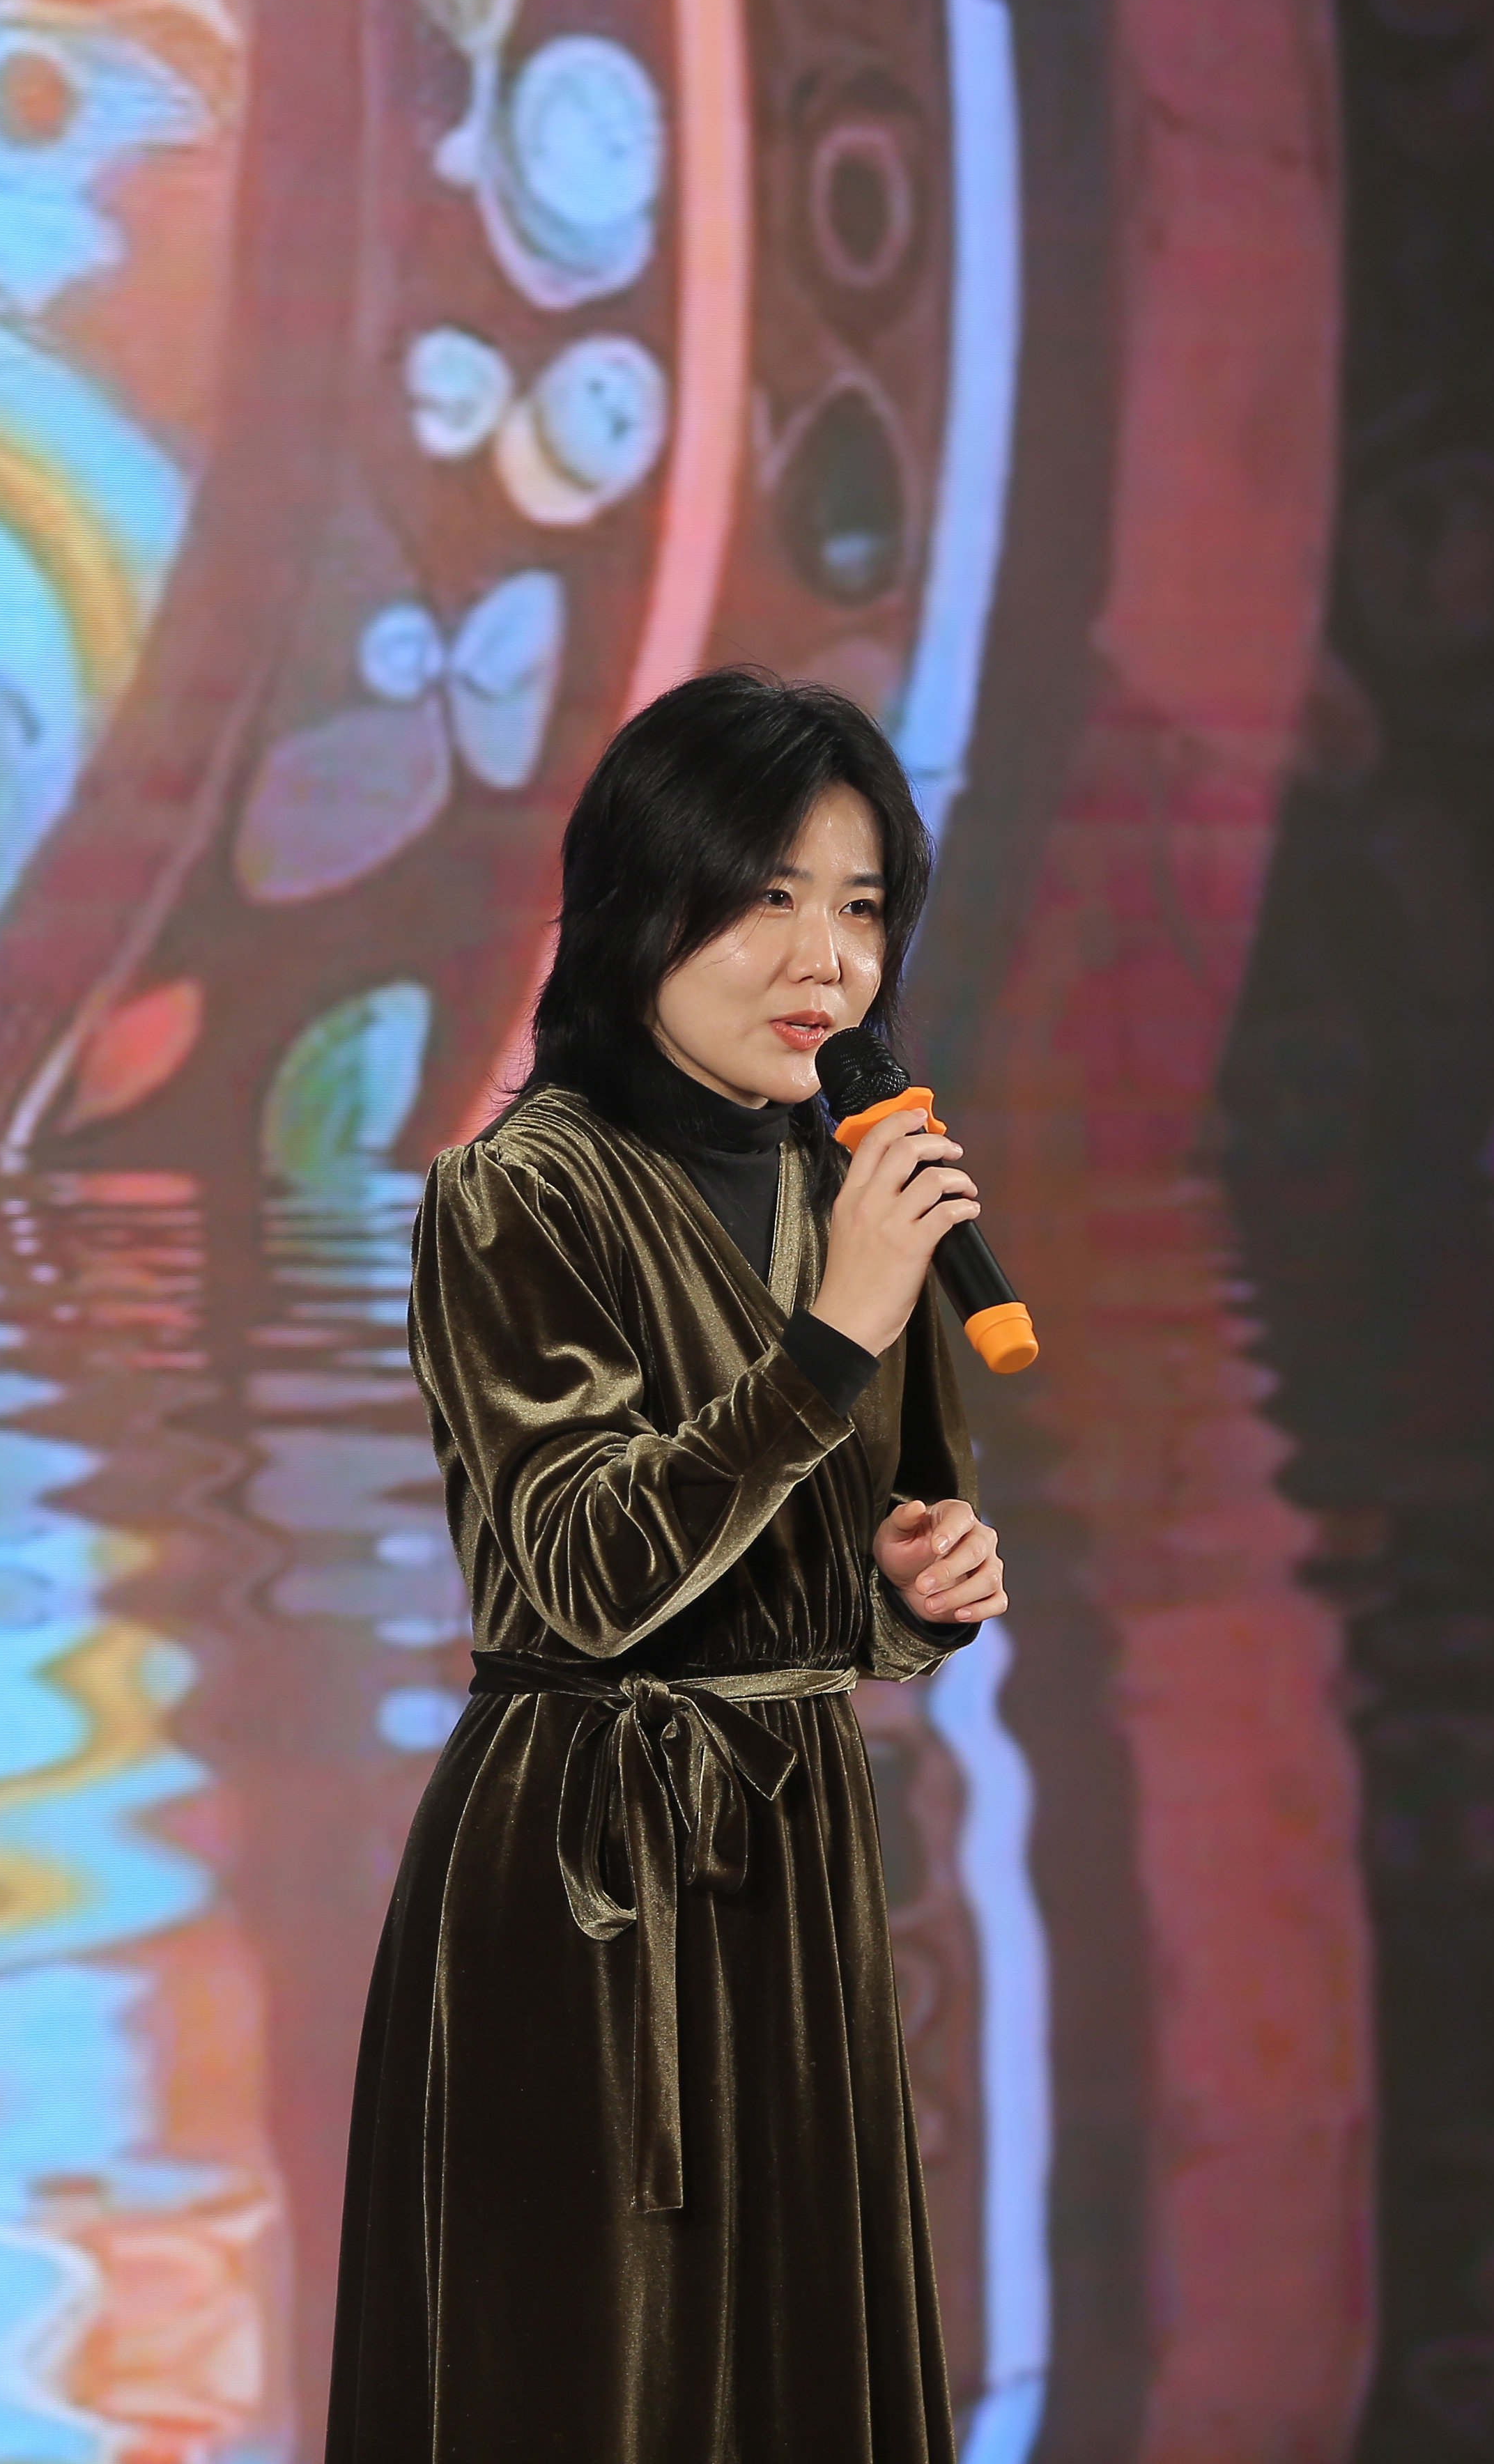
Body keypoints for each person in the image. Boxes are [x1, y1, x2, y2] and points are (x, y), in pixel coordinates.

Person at [327, 669, 1015, 2460]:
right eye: (770, 896)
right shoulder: (518, 1193)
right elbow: (585, 1566)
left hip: (795, 1844)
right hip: (586, 1869)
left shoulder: (853, 1182)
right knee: (586, 2378)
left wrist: (910, 1592)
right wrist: (834, 1335)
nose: (825, 961)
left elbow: (839, 1549)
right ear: (648, 905)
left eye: (860, 906)